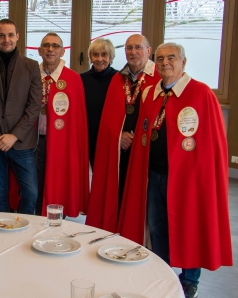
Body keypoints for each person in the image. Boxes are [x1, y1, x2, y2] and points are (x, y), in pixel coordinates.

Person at [118, 42, 233, 298]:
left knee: (189, 227)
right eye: (159, 59)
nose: (165, 63)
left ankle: (190, 281)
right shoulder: (151, 93)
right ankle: (164, 274)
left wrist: (202, 178)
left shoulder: (201, 93)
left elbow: (213, 143)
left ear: (183, 62)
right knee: (158, 228)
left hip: (187, 179)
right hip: (155, 174)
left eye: (171, 58)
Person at [86, 35, 160, 232]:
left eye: (138, 47)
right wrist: (119, 136)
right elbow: (109, 118)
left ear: (148, 51)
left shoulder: (158, 78)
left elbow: (159, 116)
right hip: (119, 150)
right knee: (116, 194)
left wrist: (136, 137)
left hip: (147, 153)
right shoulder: (119, 79)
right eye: (129, 48)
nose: (133, 52)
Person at [0, 19, 41, 214]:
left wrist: (14, 135)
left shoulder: (31, 66)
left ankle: (24, 230)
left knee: (30, 193)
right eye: (1, 35)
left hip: (22, 142)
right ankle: (4, 229)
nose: (6, 39)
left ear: (17, 37)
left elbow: (34, 105)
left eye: (10, 35)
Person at [34, 32, 89, 217]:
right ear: (40, 50)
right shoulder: (31, 74)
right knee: (35, 184)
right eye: (46, 45)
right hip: (34, 140)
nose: (50, 49)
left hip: (62, 143)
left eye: (55, 46)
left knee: (60, 183)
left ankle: (58, 221)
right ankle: (34, 219)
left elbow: (78, 119)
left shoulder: (73, 79)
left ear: (63, 51)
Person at [80, 38, 118, 167]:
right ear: (90, 57)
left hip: (112, 138)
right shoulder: (81, 79)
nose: (99, 59)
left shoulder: (119, 79)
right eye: (95, 54)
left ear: (111, 56)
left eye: (104, 54)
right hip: (89, 136)